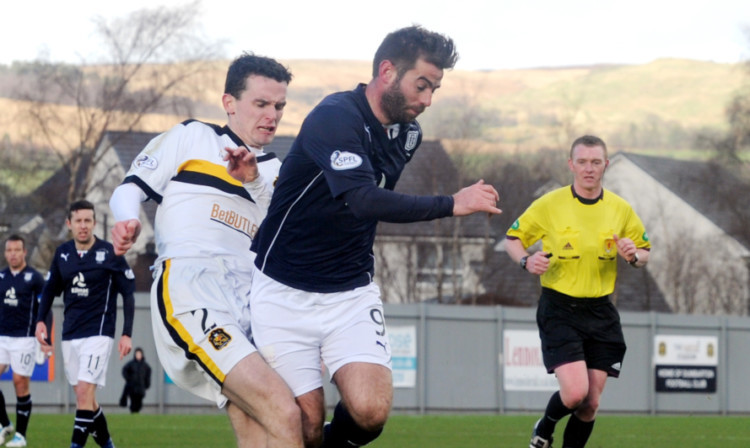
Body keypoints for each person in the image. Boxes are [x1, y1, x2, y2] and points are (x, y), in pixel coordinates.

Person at [249, 25, 501, 448]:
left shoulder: (408, 134)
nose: (428, 100)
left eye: (435, 89)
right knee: (305, 424)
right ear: (387, 71)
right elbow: (364, 201)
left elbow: (373, 204)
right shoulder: (335, 118)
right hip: (283, 290)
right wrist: (451, 203)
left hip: (350, 291)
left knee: (370, 411)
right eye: (422, 85)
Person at [108, 53, 303, 448]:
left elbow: (288, 239)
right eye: (261, 104)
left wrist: (253, 181)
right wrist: (127, 218)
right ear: (229, 103)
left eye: (279, 106)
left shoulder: (279, 173)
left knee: (261, 422)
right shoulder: (193, 137)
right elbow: (129, 189)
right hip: (192, 287)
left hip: (253, 299)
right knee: (283, 411)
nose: (272, 115)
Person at [504, 135, 651, 448]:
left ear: (605, 166)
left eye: (596, 162)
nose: (589, 168)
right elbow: (512, 240)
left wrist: (633, 255)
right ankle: (544, 428)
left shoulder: (620, 209)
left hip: (601, 312)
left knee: (590, 404)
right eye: (582, 162)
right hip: (560, 310)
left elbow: (643, 252)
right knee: (574, 394)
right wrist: (526, 261)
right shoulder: (550, 204)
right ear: (571, 164)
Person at [35, 200, 135, 448]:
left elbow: (128, 294)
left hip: (99, 333)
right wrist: (40, 321)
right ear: (69, 224)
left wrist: (126, 334)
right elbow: (49, 291)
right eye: (78, 221)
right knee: (87, 401)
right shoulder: (63, 254)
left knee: (82, 393)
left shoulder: (111, 253)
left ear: (94, 223)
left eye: (87, 221)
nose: (83, 226)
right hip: (70, 335)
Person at [0, 235, 50, 447]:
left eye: (17, 250)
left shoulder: (34, 278)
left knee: (20, 383)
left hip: (25, 338)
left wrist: (45, 337)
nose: (13, 254)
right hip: (2, 336)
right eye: (9, 250)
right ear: (5, 253)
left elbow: (45, 307)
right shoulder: (1, 276)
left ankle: (20, 436)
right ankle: (5, 424)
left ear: (24, 252)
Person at [119, 347, 151, 413]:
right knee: (133, 401)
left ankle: (137, 413)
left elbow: (148, 375)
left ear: (142, 355)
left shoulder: (145, 366)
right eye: (137, 354)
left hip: (141, 387)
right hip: (132, 387)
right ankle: (133, 413)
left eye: (139, 354)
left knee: (139, 402)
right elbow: (124, 370)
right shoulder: (131, 364)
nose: (138, 355)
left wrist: (147, 384)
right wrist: (128, 379)